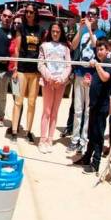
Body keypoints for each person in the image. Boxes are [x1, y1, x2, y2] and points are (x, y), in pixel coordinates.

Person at [67, 5, 105, 153]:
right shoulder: (82, 31)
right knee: (77, 109)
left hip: (92, 75)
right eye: (88, 14)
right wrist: (80, 28)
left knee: (88, 111)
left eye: (93, 14)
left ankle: (84, 140)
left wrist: (89, 29)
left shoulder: (101, 33)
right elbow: (74, 46)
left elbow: (97, 48)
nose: (90, 16)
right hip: (79, 73)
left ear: (98, 17)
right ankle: (75, 139)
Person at [74, 39, 111, 174]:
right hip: (94, 104)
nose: (99, 52)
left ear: (108, 50)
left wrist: (97, 65)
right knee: (91, 133)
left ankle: (95, 163)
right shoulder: (99, 64)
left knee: (98, 135)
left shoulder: (109, 63)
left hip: (102, 106)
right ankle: (86, 158)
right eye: (97, 49)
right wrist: (88, 83)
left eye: (102, 49)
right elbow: (97, 82)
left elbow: (105, 77)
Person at [37, 22, 71, 153]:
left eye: (58, 31)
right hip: (47, 82)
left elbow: (68, 65)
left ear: (61, 32)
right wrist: (48, 77)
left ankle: (50, 139)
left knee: (55, 112)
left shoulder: (65, 47)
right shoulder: (44, 46)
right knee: (46, 111)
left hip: (60, 83)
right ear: (50, 32)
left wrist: (62, 78)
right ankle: (42, 140)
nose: (55, 34)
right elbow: (40, 64)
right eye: (53, 31)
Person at [10, 4, 42, 143]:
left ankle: (28, 131)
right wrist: (15, 68)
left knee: (32, 102)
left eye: (31, 12)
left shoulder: (41, 30)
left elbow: (41, 50)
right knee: (18, 101)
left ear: (35, 13)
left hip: (34, 71)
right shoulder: (20, 28)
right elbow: (17, 49)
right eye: (27, 12)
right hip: (22, 69)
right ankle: (14, 130)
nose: (29, 14)